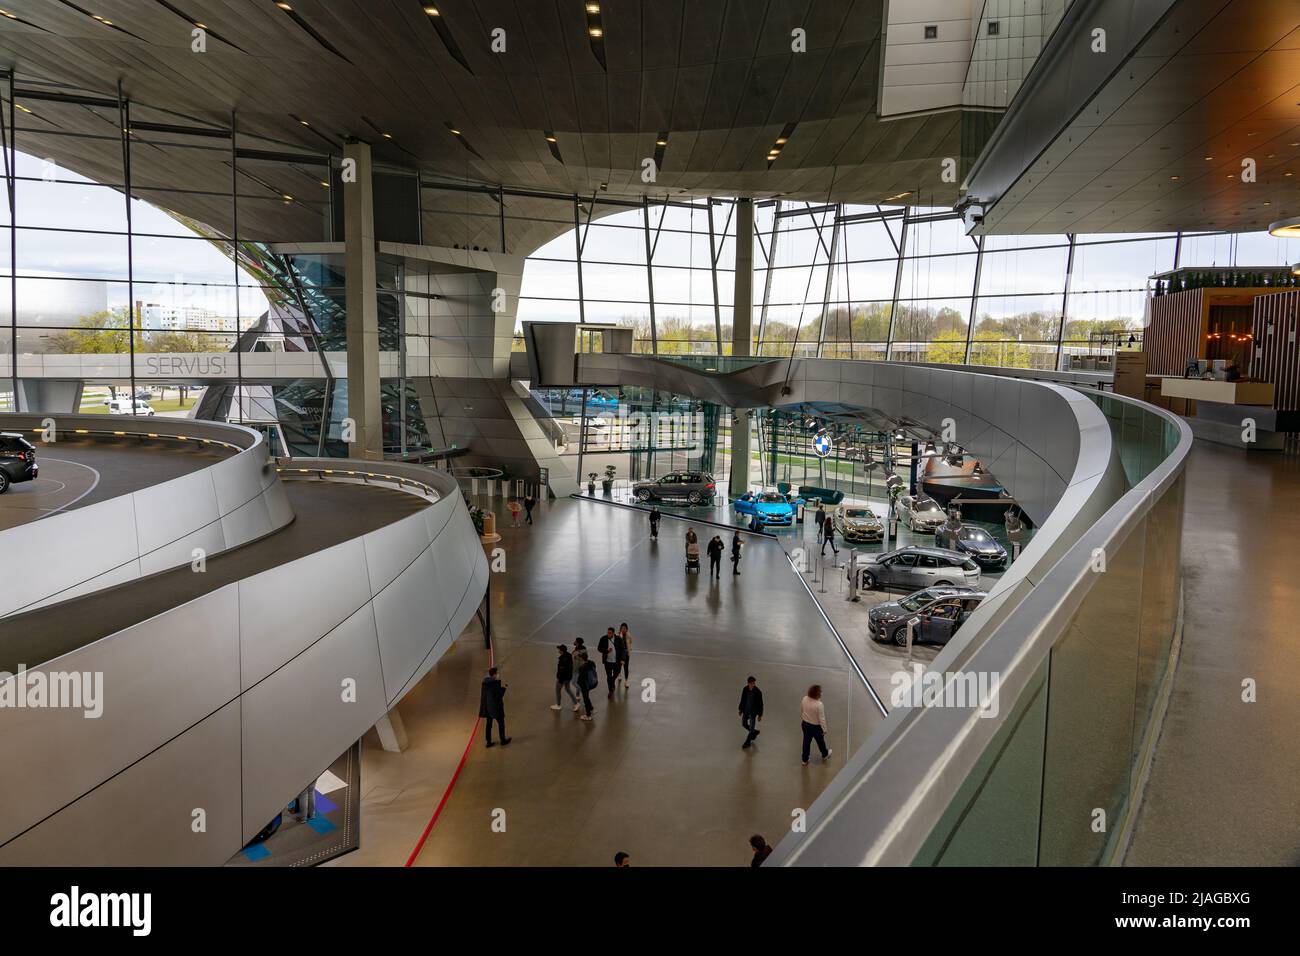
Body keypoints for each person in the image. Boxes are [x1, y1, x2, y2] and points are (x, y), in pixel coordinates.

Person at [800, 684, 831, 766]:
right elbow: (822, 719)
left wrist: (804, 718)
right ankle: (825, 754)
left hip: (805, 724)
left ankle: (804, 759)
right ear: (817, 694)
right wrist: (824, 729)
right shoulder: (819, 704)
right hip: (816, 727)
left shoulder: (804, 699)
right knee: (820, 741)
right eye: (820, 692)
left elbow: (802, 710)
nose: (821, 693)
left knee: (806, 741)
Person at [479, 667, 510, 747]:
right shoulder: (494, 684)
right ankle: (503, 740)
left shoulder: (485, 683)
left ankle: (488, 742)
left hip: (487, 707)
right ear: (494, 674)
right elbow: (499, 696)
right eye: (497, 673)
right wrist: (504, 688)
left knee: (488, 725)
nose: (498, 675)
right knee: (501, 723)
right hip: (496, 708)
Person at [739, 675, 763, 749]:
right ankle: (754, 732)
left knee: (751, 728)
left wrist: (760, 715)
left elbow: (760, 704)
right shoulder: (745, 689)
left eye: (754, 683)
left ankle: (747, 742)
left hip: (753, 713)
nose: (753, 684)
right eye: (752, 683)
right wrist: (740, 709)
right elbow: (742, 700)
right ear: (748, 683)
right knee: (744, 724)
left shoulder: (758, 692)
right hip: (746, 711)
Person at [573, 639, 595, 719]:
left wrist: (580, 685)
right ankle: (591, 708)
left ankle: (588, 715)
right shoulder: (591, 663)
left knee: (586, 699)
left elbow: (581, 679)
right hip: (589, 683)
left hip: (584, 685)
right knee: (587, 698)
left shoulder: (582, 668)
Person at [552, 644, 577, 711]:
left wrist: (559, 679)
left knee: (558, 690)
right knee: (568, 689)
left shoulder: (563, 659)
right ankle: (576, 703)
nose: (558, 650)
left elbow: (562, 670)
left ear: (561, 651)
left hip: (562, 678)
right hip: (568, 677)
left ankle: (558, 705)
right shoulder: (569, 655)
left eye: (559, 649)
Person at [598, 626, 620, 698]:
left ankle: (612, 681)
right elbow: (599, 648)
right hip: (607, 662)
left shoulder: (618, 639)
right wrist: (606, 650)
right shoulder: (603, 638)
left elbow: (622, 649)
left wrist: (622, 659)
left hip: (616, 662)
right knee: (609, 676)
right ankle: (610, 690)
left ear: (613, 633)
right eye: (608, 633)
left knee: (616, 674)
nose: (608, 634)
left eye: (610, 633)